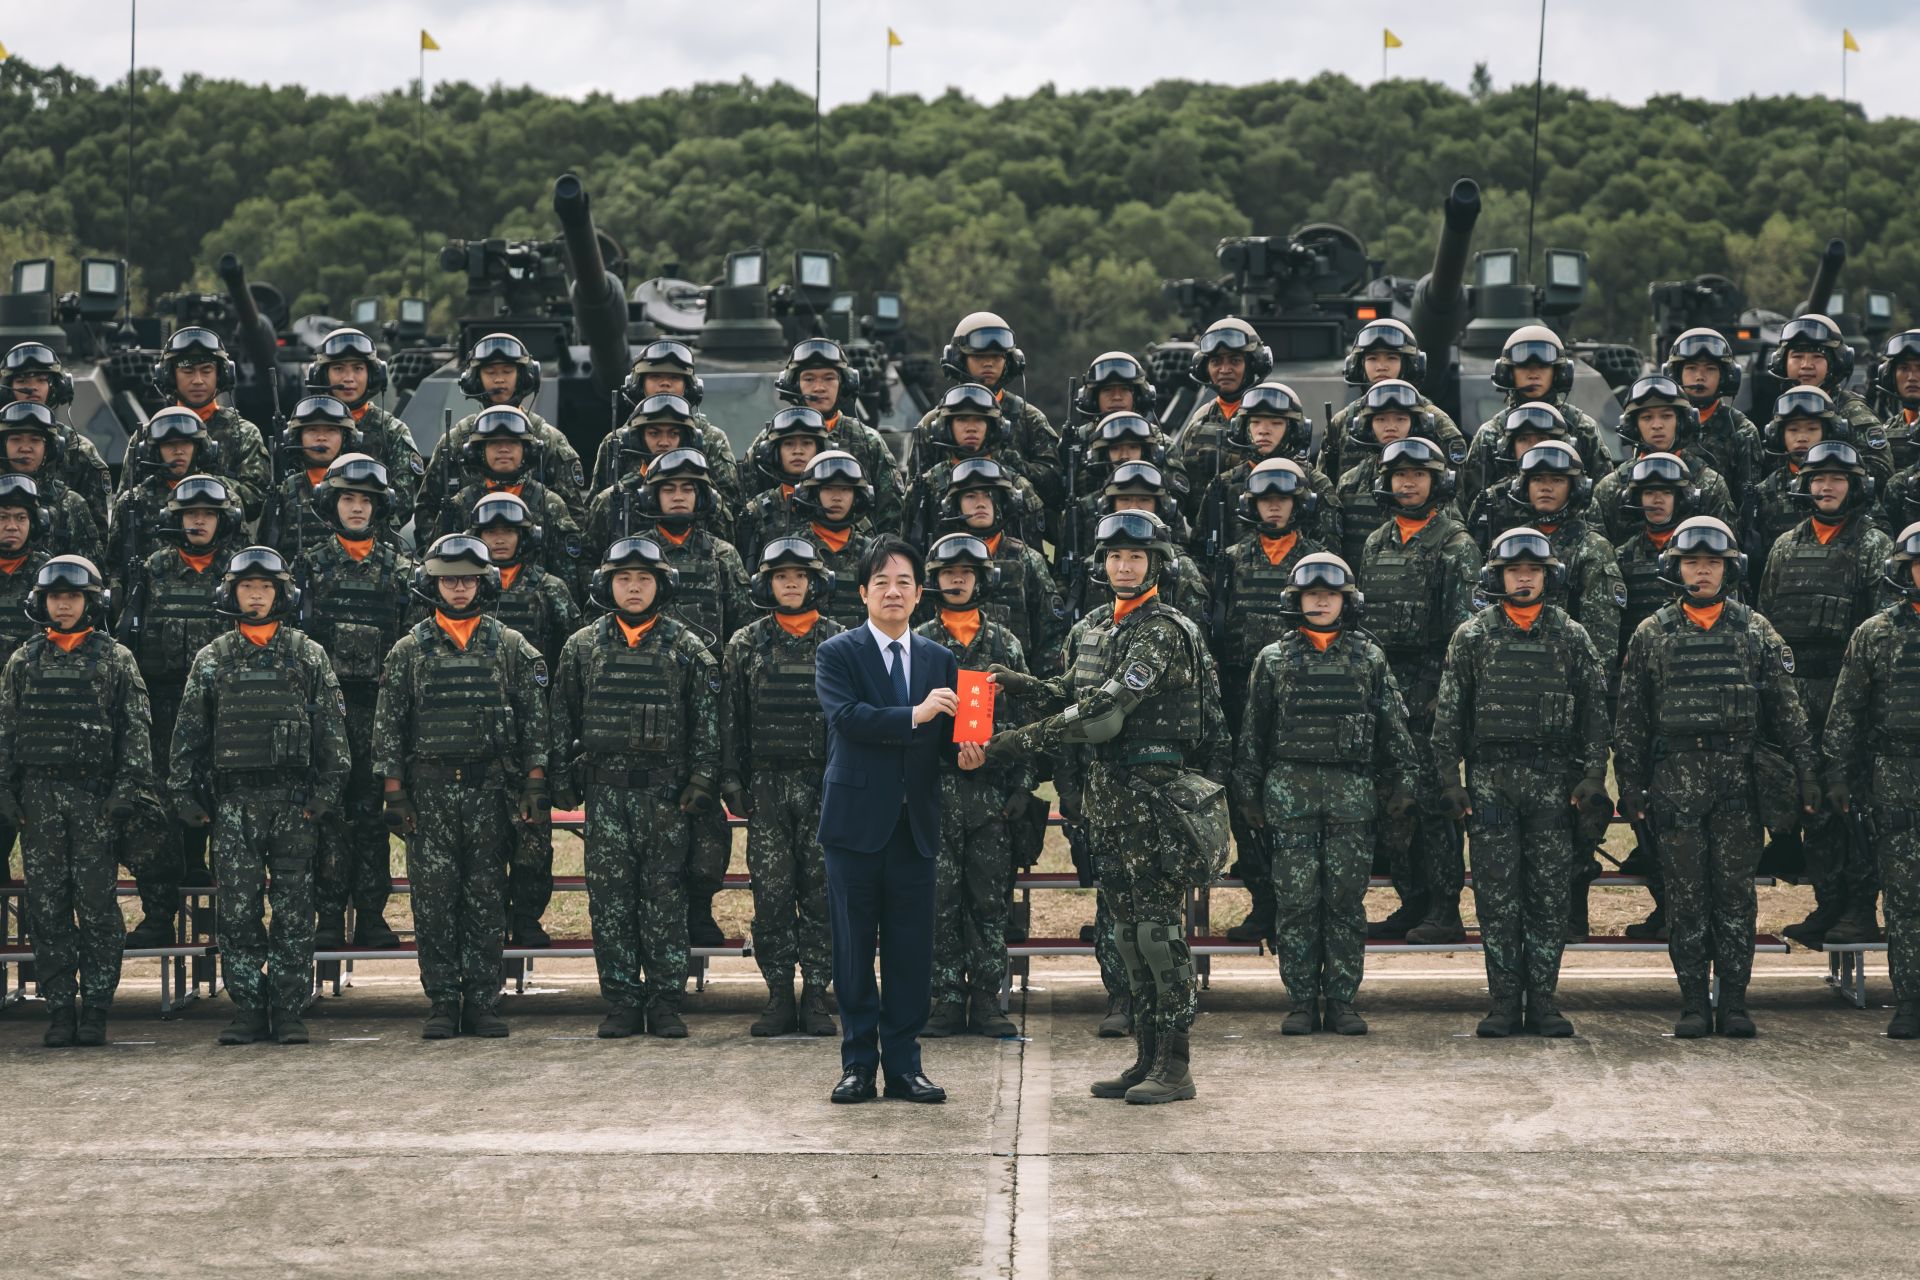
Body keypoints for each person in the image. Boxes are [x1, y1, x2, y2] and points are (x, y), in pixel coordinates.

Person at [985, 512, 1230, 1104]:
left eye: (1136, 557)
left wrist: (1017, 741)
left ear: (1156, 564)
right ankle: (1145, 1057)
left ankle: (1175, 1065)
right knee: (1125, 933)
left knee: (1158, 933)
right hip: (1111, 798)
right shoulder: (1095, 626)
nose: (1124, 566)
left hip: (1154, 798)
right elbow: (1073, 690)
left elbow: (1103, 713)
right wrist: (1019, 684)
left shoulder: (1162, 631)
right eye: (1115, 556)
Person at [1615, 516, 1819, 1038]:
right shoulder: (1651, 633)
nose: (1702, 572)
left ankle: (1733, 1003)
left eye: (1712, 563)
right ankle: (1692, 1003)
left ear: (1730, 569)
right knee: (1685, 901)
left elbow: (1787, 712)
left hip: (1737, 786)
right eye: (1692, 563)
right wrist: (1631, 785)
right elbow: (1632, 719)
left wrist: (1806, 773)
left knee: (1734, 899)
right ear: (1676, 568)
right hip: (1676, 786)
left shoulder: (1755, 630)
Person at [1432, 528, 1613, 1037]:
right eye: (1515, 571)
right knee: (1497, 898)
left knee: (1549, 898)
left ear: (1548, 576)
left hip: (1552, 782)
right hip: (1491, 781)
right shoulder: (1472, 636)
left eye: (1534, 570)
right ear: (1499, 576)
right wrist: (1449, 779)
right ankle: (1504, 1004)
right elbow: (1449, 715)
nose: (1525, 579)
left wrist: (1593, 774)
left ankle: (1545, 1004)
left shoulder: (1571, 636)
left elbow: (1594, 714)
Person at [169, 546, 348, 1046]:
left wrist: (326, 795)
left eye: (265, 587)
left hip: (294, 806)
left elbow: (332, 735)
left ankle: (288, 1009)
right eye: (247, 586)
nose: (255, 596)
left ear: (281, 594)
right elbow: (188, 734)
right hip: (234, 806)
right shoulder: (213, 658)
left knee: (293, 911)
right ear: (231, 593)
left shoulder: (307, 655)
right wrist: (184, 795)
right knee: (238, 911)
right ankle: (248, 1008)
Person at [814, 535, 972, 1105]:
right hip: (854, 825)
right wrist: (917, 713)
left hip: (914, 827)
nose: (893, 592)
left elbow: (946, 740)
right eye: (881, 582)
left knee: (910, 953)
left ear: (920, 593)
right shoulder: (837, 653)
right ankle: (858, 1065)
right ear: (863, 592)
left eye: (904, 581)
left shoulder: (939, 658)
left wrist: (967, 752)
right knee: (854, 952)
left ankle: (905, 1067)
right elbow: (849, 718)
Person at [373, 535, 551, 1040]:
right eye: (448, 579)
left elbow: (535, 725)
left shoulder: (511, 647)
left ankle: (482, 1002)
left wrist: (534, 786)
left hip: (489, 794)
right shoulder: (409, 650)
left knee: (485, 900)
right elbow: (389, 729)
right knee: (433, 903)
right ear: (433, 584)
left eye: (467, 579)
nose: (458, 588)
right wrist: (394, 792)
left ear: (482, 583)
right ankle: (442, 1001)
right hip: (429, 796)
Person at [1232, 552, 1416, 1035]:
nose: (1319, 602)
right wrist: (1247, 792)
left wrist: (1403, 782)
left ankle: (1341, 1001)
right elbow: (1253, 732)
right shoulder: (1272, 660)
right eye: (1311, 595)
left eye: (1329, 595)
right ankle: (1299, 1001)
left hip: (1350, 797)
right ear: (1295, 600)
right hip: (1290, 795)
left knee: (1344, 903)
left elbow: (1392, 728)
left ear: (1345, 601)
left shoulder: (1369, 658)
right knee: (1296, 903)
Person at [549, 537, 720, 1039]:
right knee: (611, 900)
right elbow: (560, 718)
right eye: (624, 579)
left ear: (661, 585)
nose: (634, 587)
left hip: (666, 798)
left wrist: (702, 779)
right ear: (608, 585)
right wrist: (558, 780)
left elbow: (707, 724)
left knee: (665, 898)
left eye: (644, 578)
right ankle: (622, 1000)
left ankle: (665, 1000)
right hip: (606, 796)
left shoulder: (686, 648)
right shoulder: (582, 647)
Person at [0, 556, 153, 1048]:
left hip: (94, 799)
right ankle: (60, 1008)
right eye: (54, 597)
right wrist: (4, 790)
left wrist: (126, 790)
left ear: (91, 602)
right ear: (41, 602)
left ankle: (98, 1008)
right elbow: (6, 730)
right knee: (47, 908)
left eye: (72, 597)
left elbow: (135, 732)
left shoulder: (116, 659)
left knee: (98, 907)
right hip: (38, 799)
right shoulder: (23, 661)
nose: (63, 605)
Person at [1757, 441, 1894, 947]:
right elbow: (1768, 620)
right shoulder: (1784, 546)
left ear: (1855, 486)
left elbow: (1882, 631)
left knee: (1852, 804)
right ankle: (1828, 903)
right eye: (1818, 478)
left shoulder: (1874, 545)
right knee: (1810, 800)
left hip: (1848, 693)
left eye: (1837, 478)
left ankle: (1858, 908)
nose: (1827, 486)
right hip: (1796, 694)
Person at [1357, 437, 1483, 942]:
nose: (1407, 484)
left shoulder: (1456, 544)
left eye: (1418, 475)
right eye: (1399, 475)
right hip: (1387, 688)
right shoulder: (1375, 543)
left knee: (1434, 806)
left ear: (1438, 481)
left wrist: (1444, 698)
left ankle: (1444, 909)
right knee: (1395, 801)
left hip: (1432, 690)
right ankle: (1411, 902)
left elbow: (1463, 634)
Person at [720, 537, 845, 1037]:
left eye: (799, 576)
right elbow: (730, 718)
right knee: (771, 896)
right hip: (767, 787)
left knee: (821, 894)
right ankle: (777, 996)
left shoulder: (839, 641)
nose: (791, 584)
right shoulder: (745, 643)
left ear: (815, 582)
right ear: (766, 584)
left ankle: (815, 996)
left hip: (824, 786)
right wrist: (731, 777)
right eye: (781, 576)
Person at [116, 473, 247, 947]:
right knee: (163, 808)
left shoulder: (238, 572)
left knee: (224, 806)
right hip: (164, 705)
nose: (198, 522)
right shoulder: (152, 569)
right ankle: (159, 914)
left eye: (208, 514)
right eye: (191, 514)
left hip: (224, 709)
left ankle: (227, 919)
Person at [915, 532, 1032, 1039]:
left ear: (982, 579)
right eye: (948, 572)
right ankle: (944, 999)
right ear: (935, 580)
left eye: (966, 572)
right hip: (934, 791)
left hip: (991, 795)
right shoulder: (917, 643)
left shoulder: (1005, 645)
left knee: (988, 901)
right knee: (937, 900)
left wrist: (1021, 787)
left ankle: (987, 1000)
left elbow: (1027, 720)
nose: (958, 579)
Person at [300, 455, 414, 949]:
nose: (356, 508)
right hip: (324, 710)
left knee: (370, 816)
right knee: (327, 813)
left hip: (378, 710)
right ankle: (327, 916)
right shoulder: (308, 567)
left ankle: (371, 915)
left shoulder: (401, 569)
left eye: (365, 500)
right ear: (332, 504)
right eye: (348, 498)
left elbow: (411, 640)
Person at [1214, 457, 1327, 944]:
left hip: (1304, 695)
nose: (1274, 508)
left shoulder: (1318, 560)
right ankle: (1264, 902)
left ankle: (1302, 906)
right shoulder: (1232, 558)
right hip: (1242, 690)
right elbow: (1218, 625)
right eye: (1266, 500)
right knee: (1247, 795)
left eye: (1283, 499)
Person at [1822, 520, 1920, 1038]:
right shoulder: (1876, 633)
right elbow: (1846, 712)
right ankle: (1910, 1002)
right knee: (1904, 901)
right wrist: (1838, 773)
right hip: (1896, 776)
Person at [468, 491, 580, 947]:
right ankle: (490, 917)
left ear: (524, 536)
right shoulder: (467, 584)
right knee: (485, 838)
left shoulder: (550, 588)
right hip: (480, 730)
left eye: (507, 532)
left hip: (535, 726)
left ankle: (528, 916)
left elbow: (572, 655)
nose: (499, 540)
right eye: (490, 532)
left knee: (534, 835)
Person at [415, 332, 587, 532]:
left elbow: (574, 516)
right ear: (475, 379)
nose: (499, 380)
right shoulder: (455, 441)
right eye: (490, 372)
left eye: (507, 371)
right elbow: (427, 512)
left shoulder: (549, 440)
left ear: (524, 376)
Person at [908, 314, 1063, 522]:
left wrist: (1010, 463)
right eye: (979, 357)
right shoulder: (933, 424)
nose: (989, 363)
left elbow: (1055, 491)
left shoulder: (1030, 419)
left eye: (997, 357)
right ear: (958, 358)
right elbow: (916, 497)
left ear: (1010, 361)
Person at [746, 339, 905, 530]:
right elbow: (748, 507)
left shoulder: (867, 441)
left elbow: (890, 515)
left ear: (845, 383)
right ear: (793, 384)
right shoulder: (769, 442)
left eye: (829, 378)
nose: (819, 387)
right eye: (809, 379)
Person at [1456, 326, 1609, 518]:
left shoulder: (1582, 428)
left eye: (1543, 367)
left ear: (1559, 373)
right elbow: (1470, 503)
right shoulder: (1491, 433)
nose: (1533, 374)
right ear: (1508, 373)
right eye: (1523, 367)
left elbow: (1602, 500)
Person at [439, 405, 584, 593]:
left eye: (512, 443)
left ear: (528, 451)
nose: (504, 450)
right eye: (494, 443)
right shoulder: (460, 504)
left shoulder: (550, 504)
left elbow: (567, 579)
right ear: (478, 452)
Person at [589, 339, 743, 515]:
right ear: (638, 385)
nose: (665, 384)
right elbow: (597, 511)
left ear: (689, 386)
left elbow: (731, 509)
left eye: (674, 377)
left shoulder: (711, 439)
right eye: (655, 376)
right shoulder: (618, 442)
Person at [133, 326, 271, 520]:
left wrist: (200, 482)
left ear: (221, 375)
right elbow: (128, 502)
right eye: (187, 371)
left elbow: (258, 502)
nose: (198, 380)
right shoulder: (147, 437)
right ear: (170, 376)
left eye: (206, 370)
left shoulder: (243, 434)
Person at [1588, 375, 1736, 544]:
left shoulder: (1709, 484)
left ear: (1682, 423)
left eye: (1666, 416)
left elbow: (1725, 550)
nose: (1657, 425)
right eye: (1647, 417)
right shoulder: (1610, 488)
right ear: (1633, 427)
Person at [305, 327, 424, 526]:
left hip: (374, 540)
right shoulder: (303, 429)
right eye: (338, 369)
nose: (349, 378)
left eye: (358, 369)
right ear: (323, 375)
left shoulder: (392, 432)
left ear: (374, 375)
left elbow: (402, 504)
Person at [1323, 319, 1463, 483]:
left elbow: (1455, 490)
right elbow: (1325, 488)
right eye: (1372, 358)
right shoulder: (1341, 423)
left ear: (1410, 365)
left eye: (1391, 358)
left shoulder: (1438, 423)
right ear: (1357, 366)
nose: (1381, 366)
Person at [1334, 379, 1453, 569]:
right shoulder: (1349, 483)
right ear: (1367, 426)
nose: (1390, 426)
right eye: (1381, 419)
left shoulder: (1435, 480)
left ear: (1416, 425)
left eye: (1400, 419)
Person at [106, 408, 225, 591]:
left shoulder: (223, 499)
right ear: (154, 451)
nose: (178, 451)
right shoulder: (133, 502)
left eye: (186, 443)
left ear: (200, 447)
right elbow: (113, 565)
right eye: (169, 444)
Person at [1169, 316, 1272, 520]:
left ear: (1253, 364)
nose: (1224, 370)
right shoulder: (1199, 418)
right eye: (1216, 362)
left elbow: (1287, 472)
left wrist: (1230, 461)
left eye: (1235, 361)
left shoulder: (1273, 416)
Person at [1768, 313, 1893, 479]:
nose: (1806, 365)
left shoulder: (1853, 412)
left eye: (1817, 357)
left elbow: (1880, 471)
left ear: (1837, 363)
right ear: (1781, 362)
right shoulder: (1782, 408)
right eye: (1797, 357)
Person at [2, 341, 113, 525]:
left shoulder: (79, 451)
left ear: (57, 387)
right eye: (22, 381)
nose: (32, 387)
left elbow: (96, 532)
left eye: (41, 380)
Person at [260, 395, 362, 558]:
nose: (321, 437)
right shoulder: (282, 495)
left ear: (346, 439)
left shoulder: (364, 491)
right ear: (297, 438)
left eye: (331, 430)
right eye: (312, 430)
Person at [1665, 327, 1763, 497]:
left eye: (1710, 368)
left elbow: (1748, 497)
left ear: (1725, 377)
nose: (1700, 377)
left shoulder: (1741, 430)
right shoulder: (1662, 424)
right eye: (1691, 368)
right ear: (1677, 376)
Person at [0, 401, 102, 562]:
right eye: (16, 439)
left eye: (35, 440)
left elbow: (91, 570)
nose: (25, 448)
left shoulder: (71, 504)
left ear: (51, 449)